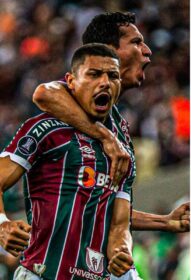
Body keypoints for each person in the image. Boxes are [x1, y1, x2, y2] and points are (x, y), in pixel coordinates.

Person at [32, 12, 190, 233]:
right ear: (108, 50)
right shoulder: (75, 97)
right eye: (136, 42)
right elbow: (43, 93)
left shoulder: (120, 128)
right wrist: (106, 138)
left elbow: (105, 208)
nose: (147, 51)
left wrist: (165, 221)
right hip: (45, 259)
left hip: (87, 260)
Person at [0, 43, 136, 279]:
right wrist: (2, 224)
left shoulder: (123, 153)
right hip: (41, 274)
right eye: (94, 74)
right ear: (71, 82)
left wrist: (121, 250)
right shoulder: (47, 128)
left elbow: (119, 224)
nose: (104, 82)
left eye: (113, 76)